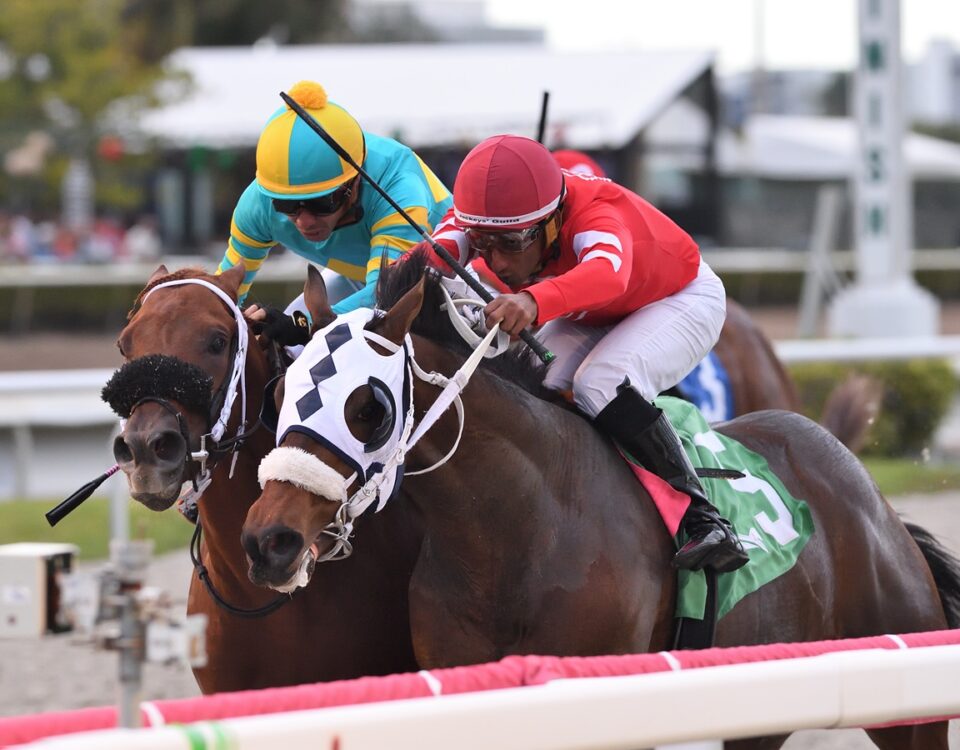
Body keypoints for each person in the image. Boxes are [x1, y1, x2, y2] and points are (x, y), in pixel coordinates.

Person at [431, 134, 747, 573]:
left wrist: (532, 302)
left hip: (680, 296)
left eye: (512, 244)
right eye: (485, 244)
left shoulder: (596, 211)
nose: (497, 262)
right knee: (536, 387)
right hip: (600, 310)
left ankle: (703, 521)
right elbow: (438, 250)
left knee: (598, 382)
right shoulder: (491, 220)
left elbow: (607, 275)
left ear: (551, 221)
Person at [217, 80, 452, 342]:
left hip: (447, 285)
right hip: (366, 278)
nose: (304, 221)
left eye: (321, 203)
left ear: (354, 182)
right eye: (287, 205)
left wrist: (303, 326)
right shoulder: (258, 203)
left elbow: (386, 295)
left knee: (310, 330)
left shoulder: (400, 188)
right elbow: (222, 293)